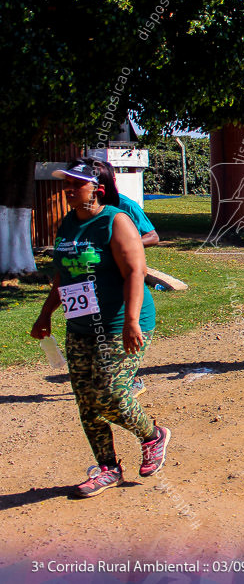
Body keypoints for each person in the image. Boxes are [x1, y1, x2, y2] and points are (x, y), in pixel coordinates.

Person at [30, 158, 169, 497]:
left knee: (109, 394)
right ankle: (108, 468)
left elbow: (136, 271)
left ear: (98, 190)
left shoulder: (115, 221)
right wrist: (46, 313)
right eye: (68, 183)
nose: (69, 189)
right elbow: (63, 276)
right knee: (86, 400)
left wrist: (133, 321)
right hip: (80, 324)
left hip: (119, 322)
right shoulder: (67, 225)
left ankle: (152, 436)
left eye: (76, 184)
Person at [93, 159, 158, 396]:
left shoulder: (124, 205)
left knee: (122, 327)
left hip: (124, 280)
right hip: (96, 287)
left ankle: (131, 379)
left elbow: (153, 236)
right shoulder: (80, 213)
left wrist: (123, 246)